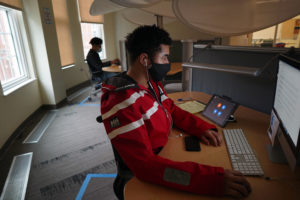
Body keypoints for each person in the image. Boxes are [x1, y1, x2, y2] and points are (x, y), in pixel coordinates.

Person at [100, 25, 251, 200]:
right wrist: (211, 181)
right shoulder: (122, 102)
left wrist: (200, 128)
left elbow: (170, 109)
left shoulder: (151, 83)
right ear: (145, 60)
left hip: (165, 155)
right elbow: (144, 166)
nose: (167, 63)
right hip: (141, 180)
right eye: (164, 57)